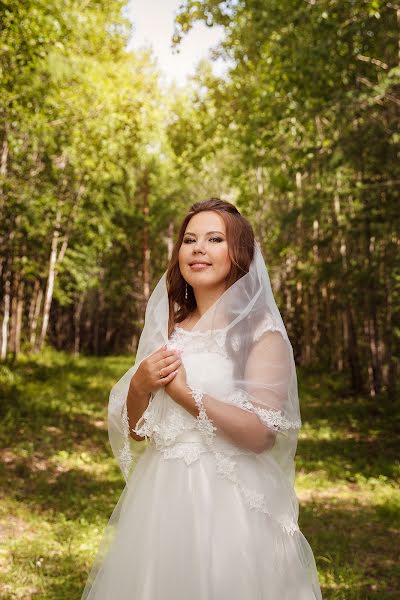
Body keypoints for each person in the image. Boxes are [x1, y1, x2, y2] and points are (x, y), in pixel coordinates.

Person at [81, 198, 323, 600]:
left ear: (238, 254)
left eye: (214, 239)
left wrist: (184, 394)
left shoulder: (260, 333)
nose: (198, 248)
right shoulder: (170, 327)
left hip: (229, 503)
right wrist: (141, 385)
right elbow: (139, 433)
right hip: (162, 496)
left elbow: (262, 434)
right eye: (189, 239)